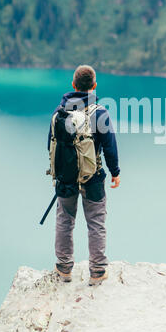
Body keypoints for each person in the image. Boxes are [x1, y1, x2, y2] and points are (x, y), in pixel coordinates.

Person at [48, 65, 120, 286]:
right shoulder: (100, 113)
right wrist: (115, 172)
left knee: (64, 220)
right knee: (96, 222)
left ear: (73, 85)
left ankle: (64, 269)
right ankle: (97, 270)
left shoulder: (59, 113)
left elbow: (50, 144)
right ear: (94, 86)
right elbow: (110, 147)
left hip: (66, 178)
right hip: (93, 178)